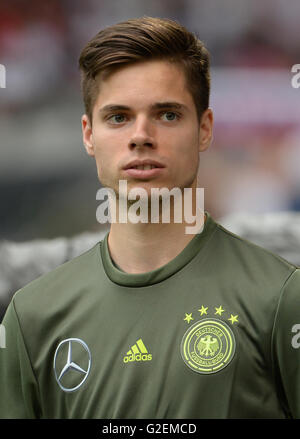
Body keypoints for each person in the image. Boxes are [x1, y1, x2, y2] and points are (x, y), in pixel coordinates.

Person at [0, 16, 299, 419]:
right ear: (88, 134)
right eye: (118, 117)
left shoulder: (282, 296)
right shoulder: (32, 314)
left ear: (205, 129)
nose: (141, 135)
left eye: (168, 115)